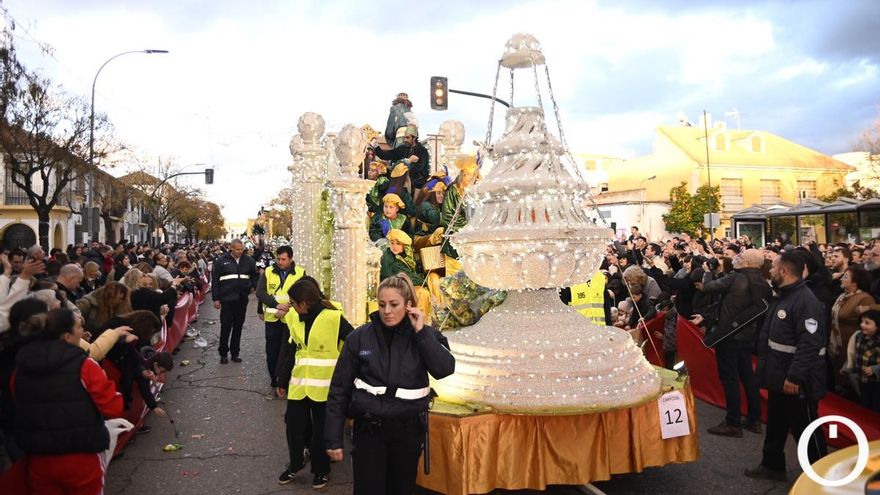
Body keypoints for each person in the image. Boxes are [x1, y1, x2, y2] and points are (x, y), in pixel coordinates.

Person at [325, 273, 455, 495]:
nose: (387, 311)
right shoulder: (359, 338)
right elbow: (339, 389)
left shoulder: (426, 335)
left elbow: (444, 369)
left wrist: (421, 333)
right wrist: (333, 438)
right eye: (382, 304)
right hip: (369, 431)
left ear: (409, 305)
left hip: (407, 431)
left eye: (394, 304)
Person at [11, 308, 123, 494]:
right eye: (78, 327)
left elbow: (17, 405)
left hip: (39, 458)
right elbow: (113, 407)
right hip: (81, 454)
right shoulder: (85, 365)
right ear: (66, 336)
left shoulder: (20, 369)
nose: (82, 331)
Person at [746, 252, 827, 482]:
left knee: (806, 429)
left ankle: (822, 474)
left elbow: (810, 345)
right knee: (776, 423)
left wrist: (795, 377)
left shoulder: (806, 302)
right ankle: (772, 465)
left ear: (783, 271)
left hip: (795, 381)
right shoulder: (784, 296)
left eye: (773, 267)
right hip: (779, 377)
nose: (770, 271)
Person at [274, 279, 354, 489]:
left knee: (321, 433)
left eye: (293, 303)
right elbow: (292, 350)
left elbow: (354, 342)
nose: (290, 306)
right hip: (299, 384)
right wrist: (282, 379)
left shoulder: (333, 317)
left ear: (305, 303)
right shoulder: (293, 316)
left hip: (326, 386)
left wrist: (346, 374)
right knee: (293, 427)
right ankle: (295, 463)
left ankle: (321, 470)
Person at [696, 249, 771, 437]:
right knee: (747, 377)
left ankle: (733, 422)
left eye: (740, 257)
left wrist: (707, 272)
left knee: (729, 379)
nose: (736, 259)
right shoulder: (761, 281)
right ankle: (754, 419)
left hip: (728, 336)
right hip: (747, 335)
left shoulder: (735, 277)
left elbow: (708, 287)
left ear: (746, 263)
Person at [256, 245, 304, 389]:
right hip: (272, 319)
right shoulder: (269, 271)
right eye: (278, 259)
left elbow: (302, 295)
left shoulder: (300, 273)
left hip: (291, 320)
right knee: (272, 351)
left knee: (289, 351)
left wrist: (287, 309)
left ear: (290, 259)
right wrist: (276, 305)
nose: (280, 262)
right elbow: (260, 292)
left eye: (283, 259)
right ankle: (274, 379)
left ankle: (286, 380)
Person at [212, 240, 258, 364]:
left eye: (241, 249)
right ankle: (223, 353)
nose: (240, 251)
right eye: (237, 249)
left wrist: (253, 286)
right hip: (227, 299)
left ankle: (235, 353)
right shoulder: (221, 261)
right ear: (231, 248)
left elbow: (255, 275)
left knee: (238, 326)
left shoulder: (249, 261)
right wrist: (216, 299)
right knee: (226, 326)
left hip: (242, 298)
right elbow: (215, 280)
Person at [829, 266, 874, 391]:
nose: (842, 279)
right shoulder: (843, 296)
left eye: (846, 277)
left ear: (855, 282)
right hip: (838, 345)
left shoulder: (865, 298)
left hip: (852, 347)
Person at [372, 125, 430, 190]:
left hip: (418, 185)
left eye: (408, 138)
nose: (405, 140)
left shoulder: (422, 151)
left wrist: (403, 164)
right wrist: (376, 147)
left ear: (414, 138)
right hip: (402, 182)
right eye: (404, 138)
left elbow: (418, 168)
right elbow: (385, 155)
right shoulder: (402, 148)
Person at [847, 310, 880, 411]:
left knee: (876, 405)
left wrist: (875, 369)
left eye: (867, 323)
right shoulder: (858, 336)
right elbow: (852, 354)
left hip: (876, 382)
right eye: (861, 322)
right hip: (862, 379)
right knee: (865, 404)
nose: (862, 325)